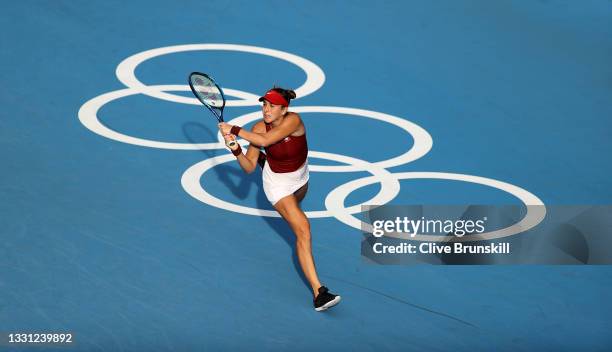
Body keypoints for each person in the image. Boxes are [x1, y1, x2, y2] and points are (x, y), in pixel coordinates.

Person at [218, 87, 341, 312]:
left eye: (272, 105)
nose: (266, 109)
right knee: (303, 230)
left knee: (298, 204)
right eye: (264, 104)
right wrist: (235, 149)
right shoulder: (257, 129)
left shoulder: (294, 121)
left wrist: (234, 129)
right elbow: (247, 167)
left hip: (301, 176)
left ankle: (269, 162)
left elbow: (268, 139)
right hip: (278, 185)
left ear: (284, 109)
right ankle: (319, 293)